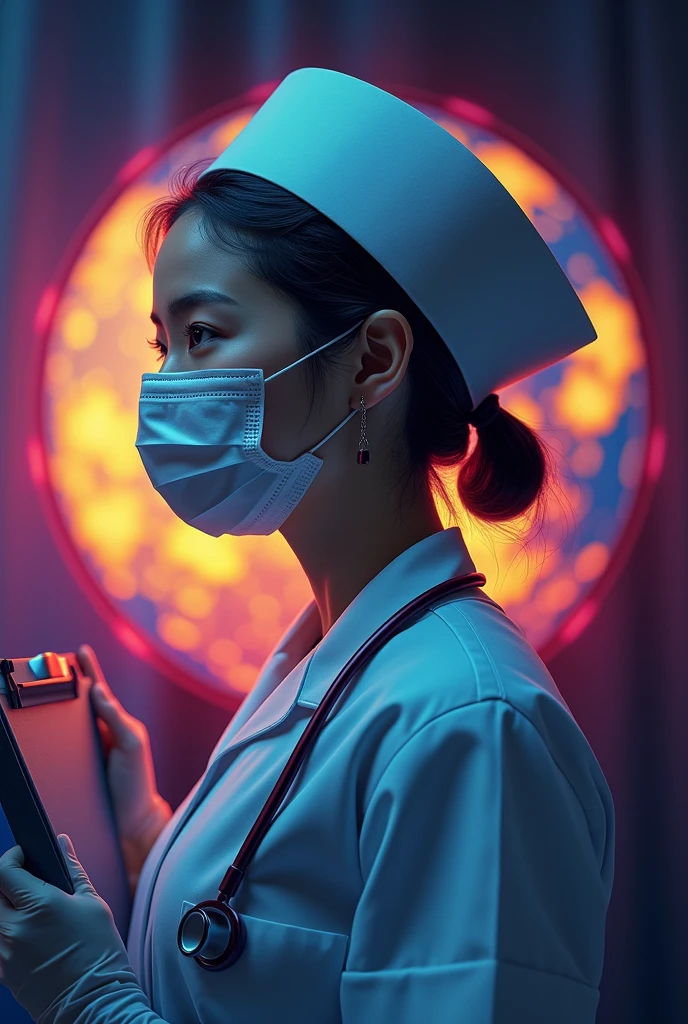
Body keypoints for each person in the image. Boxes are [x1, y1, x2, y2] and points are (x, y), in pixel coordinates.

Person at [0, 68, 614, 1024]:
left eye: (206, 333)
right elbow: (284, 944)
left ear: (374, 360)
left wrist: (91, 1007)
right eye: (165, 344)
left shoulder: (472, 722)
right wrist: (145, 836)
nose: (168, 385)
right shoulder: (336, 659)